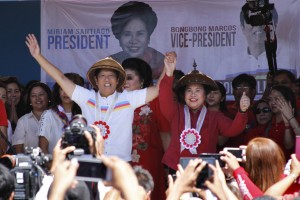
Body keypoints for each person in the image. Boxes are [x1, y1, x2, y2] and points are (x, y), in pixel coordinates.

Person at [26, 34, 165, 161]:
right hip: (92, 162)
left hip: (120, 164)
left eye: (111, 76)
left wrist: (167, 69)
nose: (107, 79)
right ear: (96, 81)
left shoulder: (128, 98)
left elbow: (158, 89)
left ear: (118, 81)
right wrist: (38, 56)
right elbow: (60, 78)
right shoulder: (87, 97)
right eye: (102, 76)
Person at [159, 52, 250, 172]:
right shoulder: (176, 111)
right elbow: (164, 96)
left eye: (198, 90)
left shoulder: (214, 116)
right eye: (189, 90)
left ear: (205, 95)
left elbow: (233, 130)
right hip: (176, 166)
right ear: (184, 94)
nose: (193, 94)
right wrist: (169, 73)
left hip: (206, 167)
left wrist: (242, 111)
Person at [122, 57, 169, 199]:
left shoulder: (153, 101)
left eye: (129, 78)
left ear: (142, 81)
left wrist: (168, 166)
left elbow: (165, 133)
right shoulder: (114, 101)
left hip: (150, 163)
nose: (125, 82)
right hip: (123, 162)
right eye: (122, 78)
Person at [221, 137, 300, 199]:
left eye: (249, 162)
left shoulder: (289, 183)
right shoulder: (249, 180)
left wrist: (237, 171)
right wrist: (232, 176)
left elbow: (264, 198)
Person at [110, 1, 164, 79]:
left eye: (140, 33)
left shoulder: (160, 62)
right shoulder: (111, 63)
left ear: (148, 36)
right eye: (127, 34)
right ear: (119, 38)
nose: (133, 41)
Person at [38, 73, 84, 154]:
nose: (65, 92)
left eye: (69, 88)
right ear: (58, 91)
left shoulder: (84, 115)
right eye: (62, 88)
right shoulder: (48, 115)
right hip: (56, 164)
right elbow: (42, 148)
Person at [12, 82, 52, 153]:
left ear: (48, 97)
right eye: (33, 96)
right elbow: (18, 150)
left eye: (41, 94)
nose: (37, 98)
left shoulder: (57, 118)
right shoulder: (23, 121)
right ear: (30, 100)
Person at [224, 73, 257, 148]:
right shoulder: (227, 110)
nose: (241, 91)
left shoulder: (260, 109)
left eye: (245, 87)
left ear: (253, 91)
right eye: (237, 88)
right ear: (233, 91)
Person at [267, 85, 299, 159]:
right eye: (270, 99)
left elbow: (288, 146)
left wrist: (290, 119)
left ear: (288, 101)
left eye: (276, 99)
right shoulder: (268, 123)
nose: (272, 102)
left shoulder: (297, 120)